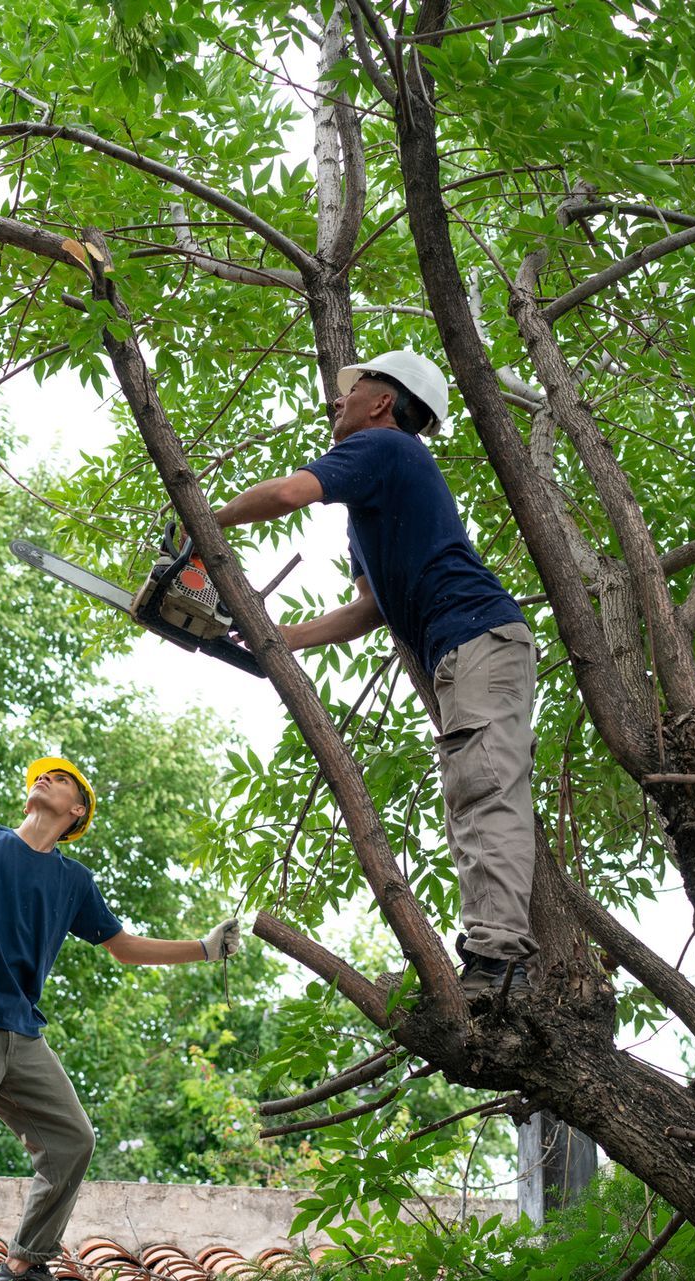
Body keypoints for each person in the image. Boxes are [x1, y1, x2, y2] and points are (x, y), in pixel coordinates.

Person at [212, 350, 536, 994]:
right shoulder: (369, 509)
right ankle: (491, 954)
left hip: (478, 637)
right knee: (471, 790)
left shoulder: (386, 448)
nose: (339, 400)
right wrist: (274, 638)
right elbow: (369, 610)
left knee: (485, 787)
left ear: (382, 403)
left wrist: (204, 519)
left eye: (351, 389)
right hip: (460, 648)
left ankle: (500, 962)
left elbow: (286, 493)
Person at [0, 756, 241, 1281]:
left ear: (76, 810)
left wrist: (204, 949)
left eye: (59, 779)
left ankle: (25, 1261)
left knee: (72, 1139)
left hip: (21, 1028)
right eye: (41, 776)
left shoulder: (73, 881)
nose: (44, 779)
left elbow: (123, 947)